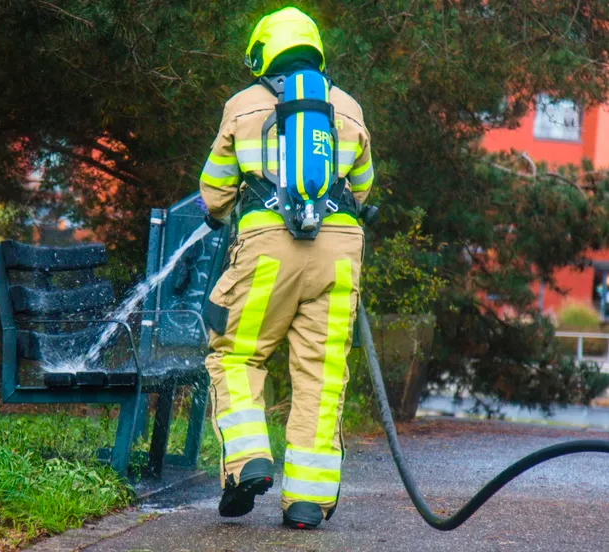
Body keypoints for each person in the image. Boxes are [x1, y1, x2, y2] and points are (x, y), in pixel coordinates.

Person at [198, 6, 375, 529]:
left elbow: (213, 192)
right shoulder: (348, 107)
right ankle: (306, 501)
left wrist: (228, 212)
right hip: (339, 254)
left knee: (236, 355)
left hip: (267, 250)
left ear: (260, 53)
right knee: (321, 375)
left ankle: (248, 460)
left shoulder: (243, 105)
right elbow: (362, 190)